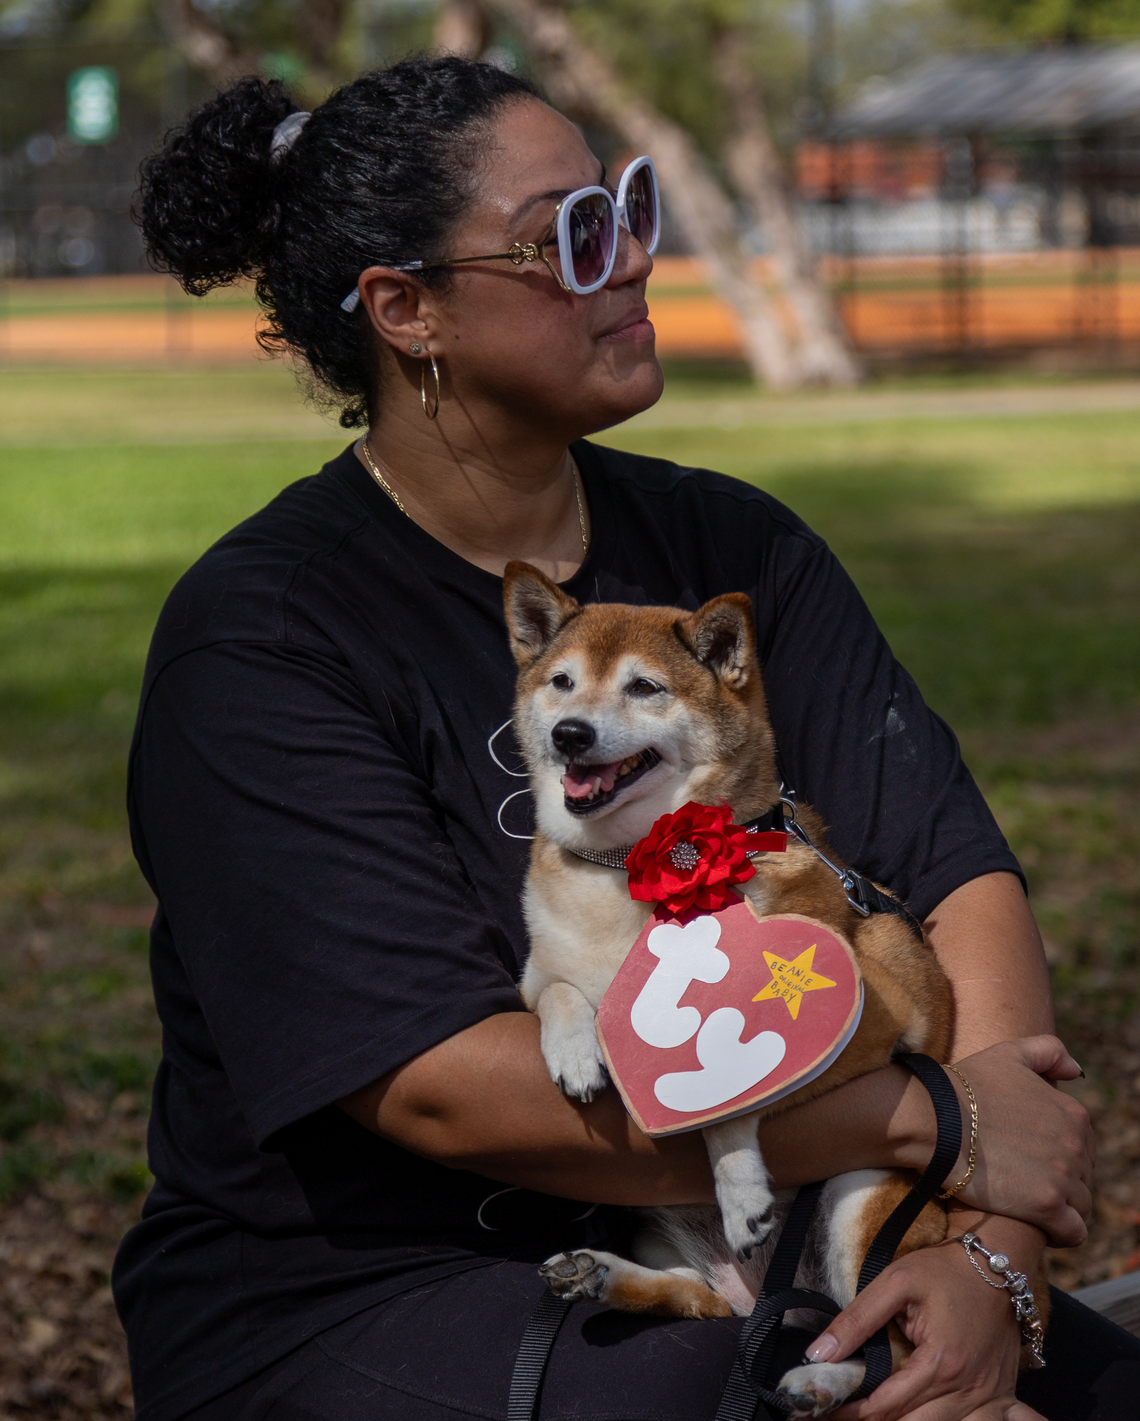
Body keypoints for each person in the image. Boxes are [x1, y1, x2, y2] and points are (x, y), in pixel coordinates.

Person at [115, 57, 1137, 1421]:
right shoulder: (266, 640)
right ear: (407, 309)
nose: (636, 261)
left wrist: (983, 1258)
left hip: (786, 1225)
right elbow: (440, 1096)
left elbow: (954, 881)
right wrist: (933, 1124)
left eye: (632, 210)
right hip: (364, 1286)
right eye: (574, 236)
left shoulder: (736, 549)